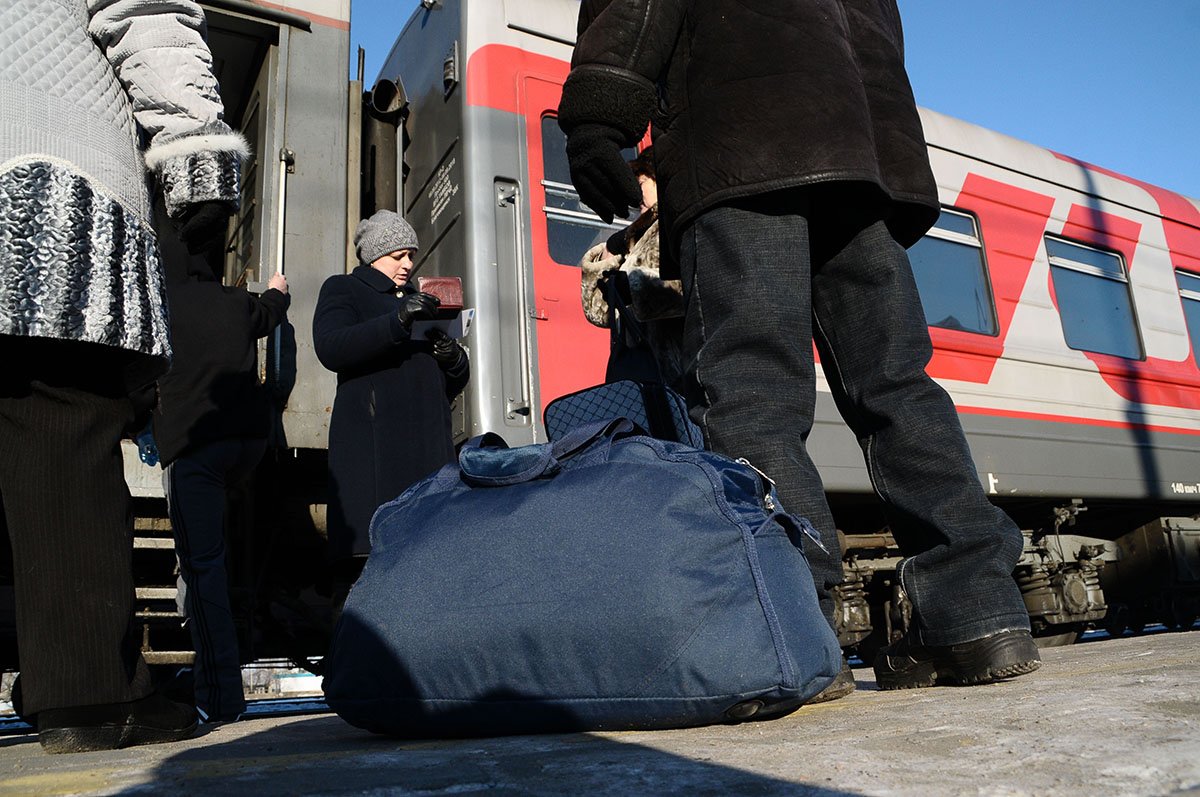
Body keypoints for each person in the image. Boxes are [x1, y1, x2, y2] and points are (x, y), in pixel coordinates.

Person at [557, 0, 1040, 692]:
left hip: (744, 141)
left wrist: (600, 116)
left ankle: (792, 624)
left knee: (752, 393)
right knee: (898, 385)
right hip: (862, 156)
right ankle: (978, 613)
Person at [0, 0, 247, 752]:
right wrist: (195, 146)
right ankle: (86, 693)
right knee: (58, 410)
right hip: (42, 156)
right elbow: (145, 8)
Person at [151, 231, 290, 723]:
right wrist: (276, 289)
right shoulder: (235, 302)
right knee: (220, 559)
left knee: (202, 566)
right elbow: (270, 312)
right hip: (246, 446)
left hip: (196, 449)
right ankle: (218, 676)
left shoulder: (160, 305)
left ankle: (219, 695)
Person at [313, 210, 469, 613]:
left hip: (428, 452)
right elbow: (331, 346)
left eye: (411, 255)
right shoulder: (344, 289)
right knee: (370, 583)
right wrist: (397, 321)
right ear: (374, 255)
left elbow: (444, 382)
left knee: (430, 575)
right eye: (398, 255)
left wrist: (453, 360)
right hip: (377, 448)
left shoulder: (422, 298)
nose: (407, 264)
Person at [580, 147, 686, 388]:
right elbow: (599, 313)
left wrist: (635, 287)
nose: (636, 196)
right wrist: (607, 256)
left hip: (676, 372)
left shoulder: (676, 225)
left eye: (641, 183)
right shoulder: (637, 235)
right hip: (640, 370)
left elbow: (693, 287)